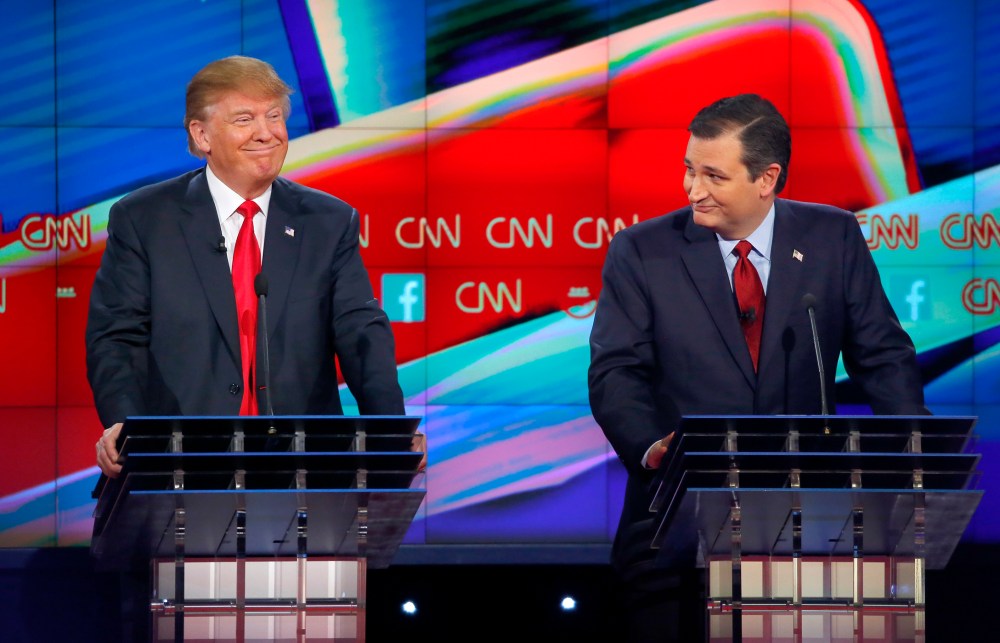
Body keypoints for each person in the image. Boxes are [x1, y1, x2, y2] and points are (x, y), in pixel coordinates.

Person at [86, 55, 421, 641]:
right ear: (200, 136)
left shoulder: (327, 220)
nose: (267, 132)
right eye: (244, 119)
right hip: (177, 479)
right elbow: (117, 336)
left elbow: (362, 332)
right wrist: (122, 424)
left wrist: (388, 434)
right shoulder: (145, 219)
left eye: (275, 116)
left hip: (305, 484)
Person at [588, 94, 928, 641]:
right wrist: (653, 446)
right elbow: (614, 373)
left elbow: (883, 356)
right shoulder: (641, 251)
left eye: (713, 176)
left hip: (811, 522)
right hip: (675, 520)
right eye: (689, 170)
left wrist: (914, 451)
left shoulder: (831, 237)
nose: (692, 190)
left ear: (767, 178)